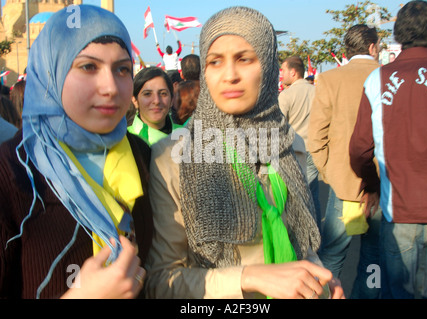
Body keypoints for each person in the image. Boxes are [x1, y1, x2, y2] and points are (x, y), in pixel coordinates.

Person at [145, 6, 344, 299]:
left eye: (244, 59)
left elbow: (300, 243)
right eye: (215, 62)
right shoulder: (173, 157)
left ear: (268, 66)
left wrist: (318, 278)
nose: (230, 75)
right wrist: (250, 278)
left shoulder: (289, 145)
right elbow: (161, 282)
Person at [0, 5, 152, 299]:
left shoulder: (141, 156)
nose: (110, 87)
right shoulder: (13, 173)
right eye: (88, 67)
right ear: (50, 72)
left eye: (122, 69)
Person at [349, 0, 427, 299]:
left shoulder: (376, 79)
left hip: (397, 213)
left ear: (397, 34)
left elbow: (359, 149)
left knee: (397, 293)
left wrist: (372, 184)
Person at [307, 24, 381, 298]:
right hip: (382, 184)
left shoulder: (329, 79)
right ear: (373, 47)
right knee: (374, 256)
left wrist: (329, 173)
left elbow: (316, 137)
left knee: (333, 255)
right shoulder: (386, 76)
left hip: (344, 185)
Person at [278, 56, 320, 229]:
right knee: (313, 196)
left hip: (296, 152)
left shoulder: (286, 95)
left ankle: (303, 238)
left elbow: (278, 127)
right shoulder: (318, 92)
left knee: (296, 197)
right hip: (316, 150)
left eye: (283, 70)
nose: (281, 74)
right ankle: (316, 235)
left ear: (293, 72)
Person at [128, 66, 184, 146]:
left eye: (163, 93)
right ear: (135, 100)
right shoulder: (123, 139)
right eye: (147, 94)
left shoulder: (188, 137)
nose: (157, 101)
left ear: (172, 100)